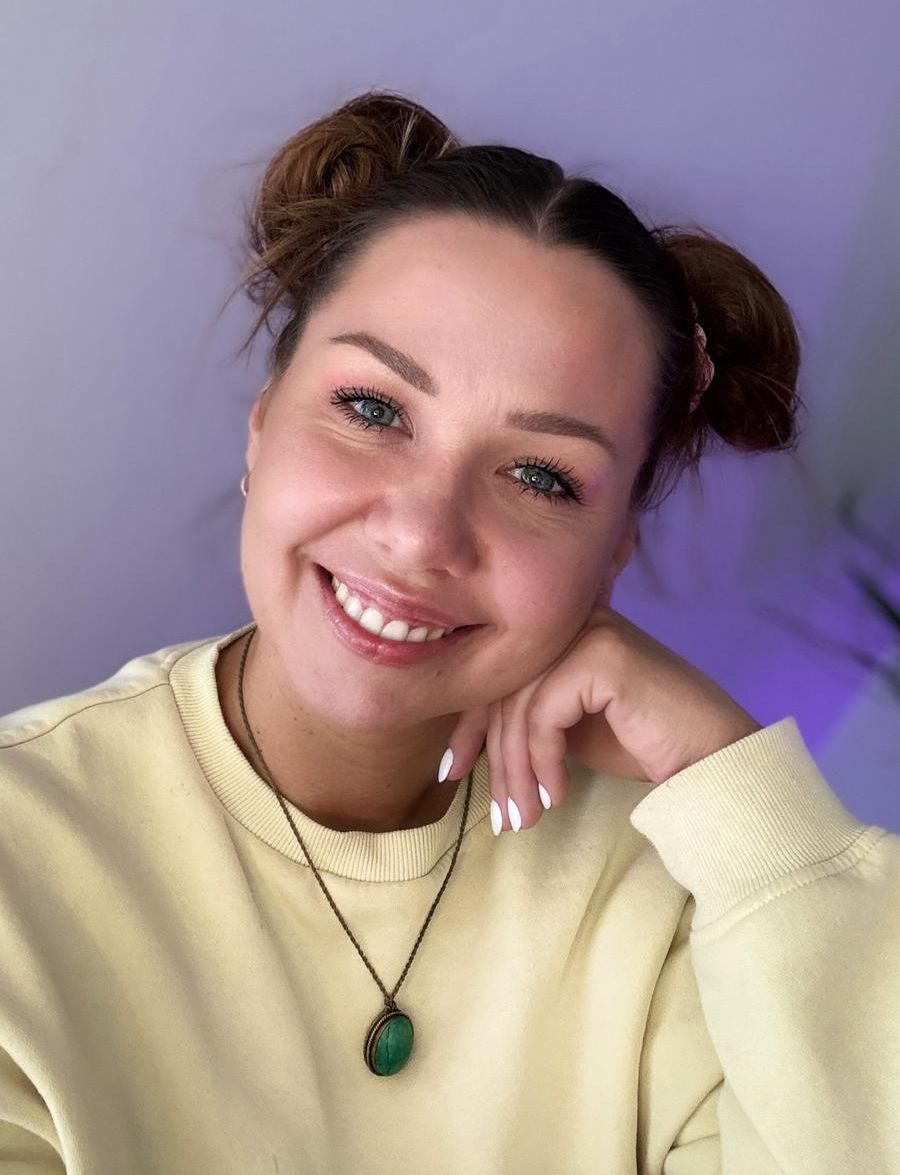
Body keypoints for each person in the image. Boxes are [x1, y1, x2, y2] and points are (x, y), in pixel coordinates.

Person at [1, 90, 897, 1174]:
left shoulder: (700, 887)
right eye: (373, 408)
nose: (422, 535)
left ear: (616, 548)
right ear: (263, 423)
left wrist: (743, 791)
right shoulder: (23, 856)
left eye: (541, 476)